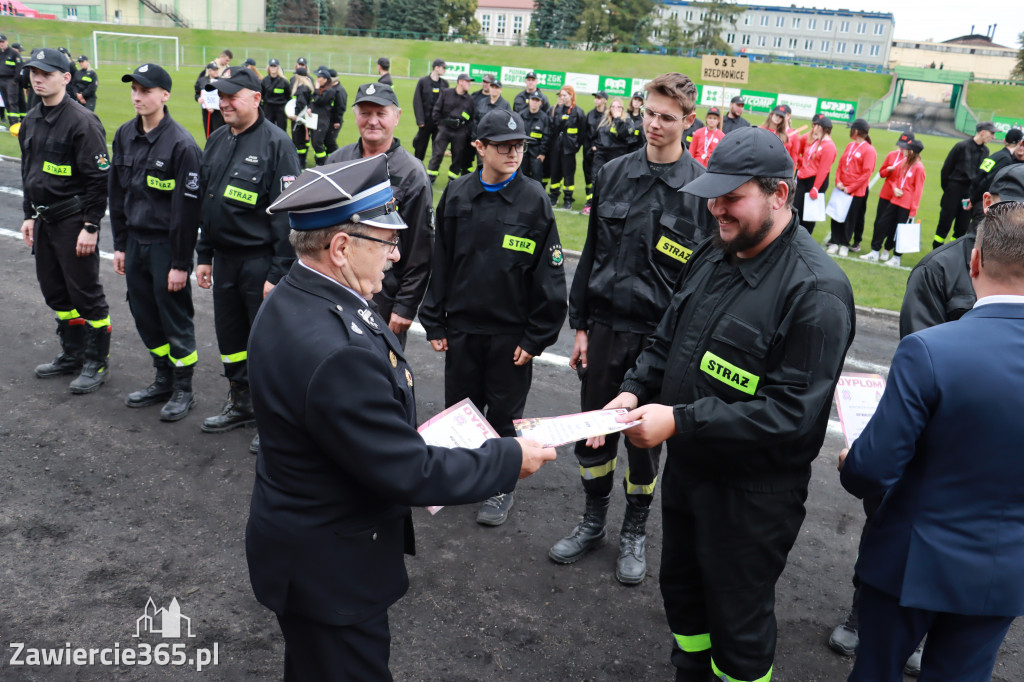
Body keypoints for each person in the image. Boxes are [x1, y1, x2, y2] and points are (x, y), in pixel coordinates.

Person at [246, 154, 557, 682]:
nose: (395, 256)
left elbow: (349, 428)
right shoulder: (336, 345)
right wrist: (509, 458)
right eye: (386, 242)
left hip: (303, 549)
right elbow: (409, 472)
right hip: (332, 569)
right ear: (341, 248)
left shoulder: (297, 295)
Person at [604, 125, 855, 680]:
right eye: (713, 194)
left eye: (732, 197)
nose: (716, 208)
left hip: (751, 498)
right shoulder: (714, 253)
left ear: (779, 195)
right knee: (685, 603)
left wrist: (680, 421)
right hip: (691, 474)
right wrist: (634, 386)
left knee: (738, 630)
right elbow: (667, 339)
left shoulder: (816, 292)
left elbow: (791, 415)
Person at [838, 200, 1024, 682]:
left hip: (911, 557)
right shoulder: (935, 350)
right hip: (1004, 566)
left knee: (876, 671)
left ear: (975, 262)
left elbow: (870, 471)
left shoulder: (931, 348)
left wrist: (851, 460)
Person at [556, 72, 717, 585]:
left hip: (658, 342)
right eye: (648, 112)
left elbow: (703, 285)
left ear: (688, 121)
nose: (653, 124)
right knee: (593, 438)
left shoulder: (702, 192)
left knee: (645, 447)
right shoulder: (614, 173)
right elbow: (591, 257)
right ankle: (592, 521)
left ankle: (634, 532)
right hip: (604, 329)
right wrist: (579, 326)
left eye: (666, 117)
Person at [419, 109, 568, 527]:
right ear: (479, 147)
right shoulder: (458, 194)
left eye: (519, 145)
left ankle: (500, 484)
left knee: (504, 415)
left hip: (510, 336)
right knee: (461, 410)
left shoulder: (534, 198)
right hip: (464, 330)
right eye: (503, 145)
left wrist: (536, 337)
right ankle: (464, 478)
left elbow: (550, 276)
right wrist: (435, 320)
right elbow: (441, 261)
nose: (514, 152)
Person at [194, 66, 302, 451]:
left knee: (267, 343)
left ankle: (273, 417)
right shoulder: (217, 139)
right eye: (219, 96)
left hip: (260, 263)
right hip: (224, 259)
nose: (223, 103)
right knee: (231, 337)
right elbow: (208, 202)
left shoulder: (277, 144)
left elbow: (289, 215)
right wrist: (204, 254)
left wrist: (278, 272)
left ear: (256, 99)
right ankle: (240, 401)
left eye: (231, 96)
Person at [109, 63, 203, 421]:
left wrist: (181, 263)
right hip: (134, 243)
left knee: (174, 316)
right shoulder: (123, 135)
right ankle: (162, 378)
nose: (137, 96)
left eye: (145, 91)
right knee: (144, 314)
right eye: (134, 89)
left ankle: (183, 388)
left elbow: (186, 213)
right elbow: (116, 194)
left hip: (166, 246)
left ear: (164, 95)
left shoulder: (182, 145)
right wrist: (119, 244)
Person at [18, 48, 112, 394]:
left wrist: (91, 226)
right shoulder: (31, 118)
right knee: (55, 292)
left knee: (85, 293)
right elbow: (30, 171)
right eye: (33, 73)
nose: (37, 78)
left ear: (66, 78)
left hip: (73, 221)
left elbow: (98, 180)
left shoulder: (82, 121)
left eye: (46, 73)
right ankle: (71, 353)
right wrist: (28, 215)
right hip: (44, 221)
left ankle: (96, 360)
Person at [327, 82, 432, 349]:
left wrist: (406, 305)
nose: (372, 121)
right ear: (355, 115)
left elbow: (420, 248)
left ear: (396, 117)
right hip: (334, 286)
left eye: (381, 113)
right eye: (365, 112)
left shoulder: (411, 173)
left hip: (382, 294)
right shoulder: (336, 161)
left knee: (379, 370)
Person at [860, 139, 926, 268]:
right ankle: (875, 251)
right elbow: (898, 179)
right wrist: (895, 188)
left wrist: (913, 210)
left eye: (907, 148)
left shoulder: (919, 168)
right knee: (882, 224)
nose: (903, 150)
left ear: (912, 151)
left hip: (906, 205)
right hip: (895, 200)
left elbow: (918, 190)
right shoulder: (905, 162)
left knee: (900, 231)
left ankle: (896, 258)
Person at [933, 121, 994, 248]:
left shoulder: (986, 151)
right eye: (991, 133)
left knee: (962, 226)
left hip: (970, 194)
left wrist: (973, 194)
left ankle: (953, 253)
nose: (993, 137)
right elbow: (946, 169)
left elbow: (982, 175)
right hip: (954, 189)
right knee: (945, 222)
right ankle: (936, 250)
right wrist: (949, 189)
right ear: (982, 132)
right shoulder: (961, 146)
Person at [828, 118, 877, 257]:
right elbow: (841, 165)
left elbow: (866, 173)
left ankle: (844, 243)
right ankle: (835, 242)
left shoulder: (869, 150)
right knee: (836, 215)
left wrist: (851, 188)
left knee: (850, 218)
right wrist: (838, 181)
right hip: (841, 187)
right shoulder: (850, 145)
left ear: (857, 131)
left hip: (855, 191)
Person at [968, 127, 1023, 227]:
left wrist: (972, 197)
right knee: (978, 236)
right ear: (1019, 143)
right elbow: (988, 181)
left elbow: (979, 176)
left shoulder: (996, 155)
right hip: (984, 203)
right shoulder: (1006, 160)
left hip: (978, 199)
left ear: (1004, 140)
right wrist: (973, 199)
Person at [427, 72, 474, 184]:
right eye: (467, 81)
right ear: (460, 82)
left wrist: (466, 131)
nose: (469, 84)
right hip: (445, 129)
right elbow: (437, 109)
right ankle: (430, 179)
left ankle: (452, 181)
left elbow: (472, 118)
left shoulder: (470, 100)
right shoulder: (446, 93)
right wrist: (439, 124)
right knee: (437, 154)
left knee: (457, 157)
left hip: (460, 132)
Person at [794, 116, 837, 234]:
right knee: (797, 209)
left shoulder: (828, 146)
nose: (814, 128)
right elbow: (808, 157)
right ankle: (795, 234)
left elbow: (824, 169)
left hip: (813, 181)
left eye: (816, 126)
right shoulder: (817, 141)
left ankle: (804, 238)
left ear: (822, 128)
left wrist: (815, 188)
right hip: (804, 178)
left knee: (808, 214)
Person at [548, 85, 586, 210]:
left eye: (564, 95)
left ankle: (568, 200)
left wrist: (575, 146)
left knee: (568, 175)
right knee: (555, 173)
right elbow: (553, 129)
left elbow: (582, 133)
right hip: (556, 148)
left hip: (569, 150)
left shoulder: (578, 112)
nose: (562, 97)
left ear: (571, 95)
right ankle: (553, 197)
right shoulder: (557, 110)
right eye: (560, 95)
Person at [411, 58, 448, 161]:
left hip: (438, 123)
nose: (445, 70)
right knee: (420, 148)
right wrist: (420, 120)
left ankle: (432, 172)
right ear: (436, 68)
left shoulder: (445, 84)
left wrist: (443, 122)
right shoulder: (423, 82)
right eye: (443, 68)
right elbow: (417, 101)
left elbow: (446, 104)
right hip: (425, 122)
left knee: (437, 149)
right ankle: (417, 169)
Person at [589, 96, 632, 184]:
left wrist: (617, 119)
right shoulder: (604, 119)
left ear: (622, 109)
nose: (615, 109)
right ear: (610, 108)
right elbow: (595, 134)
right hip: (601, 154)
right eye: (613, 106)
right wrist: (594, 146)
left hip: (617, 155)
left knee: (613, 181)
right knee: (597, 179)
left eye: (618, 107)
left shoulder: (627, 121)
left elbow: (625, 134)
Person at [306, 66, 341, 166]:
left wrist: (316, 89)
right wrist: (309, 108)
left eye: (319, 78)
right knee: (315, 143)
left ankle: (323, 163)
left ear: (325, 79)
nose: (317, 79)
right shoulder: (322, 89)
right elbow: (313, 100)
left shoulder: (329, 91)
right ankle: (321, 162)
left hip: (322, 121)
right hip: (315, 120)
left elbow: (318, 100)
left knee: (317, 143)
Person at [582, 90, 607, 211]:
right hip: (588, 151)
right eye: (595, 97)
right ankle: (589, 199)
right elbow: (585, 133)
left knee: (597, 176)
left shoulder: (608, 115)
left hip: (601, 151)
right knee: (588, 175)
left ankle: (594, 202)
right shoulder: (590, 114)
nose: (596, 100)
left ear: (604, 100)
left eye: (599, 98)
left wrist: (597, 145)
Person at [520, 90, 550, 185]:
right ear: (529, 100)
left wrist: (542, 152)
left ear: (541, 103)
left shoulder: (544, 118)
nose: (534, 102)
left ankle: (536, 197)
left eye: (537, 100)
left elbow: (546, 136)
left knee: (536, 177)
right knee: (521, 175)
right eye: (533, 100)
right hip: (522, 150)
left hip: (536, 152)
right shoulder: (521, 115)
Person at [287, 65, 314, 165]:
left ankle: (300, 163)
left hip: (299, 118)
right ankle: (303, 160)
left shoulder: (301, 88)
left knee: (298, 140)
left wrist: (295, 114)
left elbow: (300, 103)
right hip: (306, 118)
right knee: (305, 138)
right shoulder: (308, 86)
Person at [0, 34, 23, 126]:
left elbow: (19, 66)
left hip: (11, 80)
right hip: (1, 80)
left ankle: (15, 123)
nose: (1, 44)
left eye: (2, 42)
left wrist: (15, 80)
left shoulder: (13, 53)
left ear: (7, 42)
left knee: (12, 102)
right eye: (0, 42)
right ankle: (11, 122)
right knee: (6, 102)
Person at [260, 58, 289, 131]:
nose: (273, 68)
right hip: (268, 107)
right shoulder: (265, 81)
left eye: (274, 66)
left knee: (281, 128)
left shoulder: (284, 82)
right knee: (268, 128)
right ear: (269, 67)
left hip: (280, 108)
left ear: (278, 68)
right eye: (271, 66)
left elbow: (288, 95)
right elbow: (262, 94)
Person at [324, 69, 346, 156]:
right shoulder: (331, 88)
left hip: (334, 121)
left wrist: (337, 120)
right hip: (328, 119)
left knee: (330, 141)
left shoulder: (340, 91)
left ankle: (337, 158)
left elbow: (341, 107)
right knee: (326, 140)